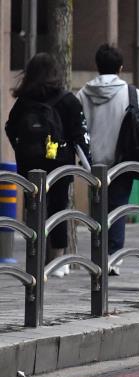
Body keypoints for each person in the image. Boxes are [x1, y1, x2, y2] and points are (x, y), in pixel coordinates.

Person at [4, 53, 91, 278]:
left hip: (30, 164)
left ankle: (35, 256)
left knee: (34, 209)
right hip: (60, 164)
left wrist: (22, 149)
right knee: (58, 208)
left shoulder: (24, 101)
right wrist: (89, 165)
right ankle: (59, 261)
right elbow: (80, 135)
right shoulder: (67, 100)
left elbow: (10, 127)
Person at [77, 44, 139, 276]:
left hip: (92, 161)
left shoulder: (82, 93)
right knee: (117, 207)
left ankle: (98, 254)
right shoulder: (131, 93)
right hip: (122, 158)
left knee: (97, 207)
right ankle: (112, 257)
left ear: (97, 66)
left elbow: (76, 124)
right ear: (120, 68)